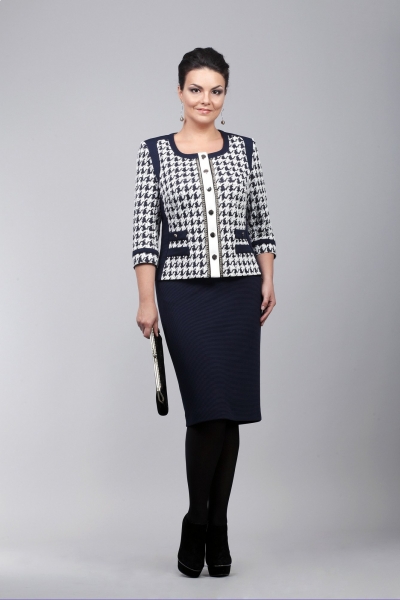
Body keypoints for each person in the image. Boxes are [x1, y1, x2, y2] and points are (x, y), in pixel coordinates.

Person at [132, 47, 276, 578]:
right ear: (179, 92)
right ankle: (198, 519)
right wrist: (146, 299)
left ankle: (219, 526)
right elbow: (144, 232)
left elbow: (261, 221)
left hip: (239, 290)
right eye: (196, 89)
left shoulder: (245, 150)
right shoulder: (154, 153)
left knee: (229, 411)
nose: (205, 100)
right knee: (206, 411)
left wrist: (268, 277)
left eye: (216, 91)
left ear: (225, 95)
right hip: (182, 294)